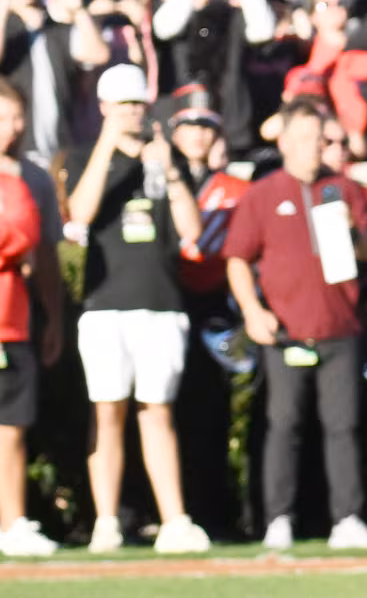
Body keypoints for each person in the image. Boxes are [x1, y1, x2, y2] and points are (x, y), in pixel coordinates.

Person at [223, 99, 367, 550]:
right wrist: (253, 312)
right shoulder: (263, 193)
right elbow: (237, 258)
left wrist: (353, 232)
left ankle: (348, 517)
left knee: (344, 425)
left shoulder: (344, 190)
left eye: (321, 140)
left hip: (340, 326)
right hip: (286, 330)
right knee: (284, 424)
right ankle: (278, 518)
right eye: (308, 140)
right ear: (286, 143)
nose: (316, 148)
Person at [65, 65, 211, 553]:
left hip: (161, 303)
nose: (131, 112)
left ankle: (174, 520)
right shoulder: (88, 155)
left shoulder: (166, 158)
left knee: (158, 412)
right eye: (122, 104)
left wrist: (168, 169)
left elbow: (192, 231)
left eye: (137, 103)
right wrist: (108, 146)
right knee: (107, 411)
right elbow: (79, 215)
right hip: (106, 306)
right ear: (105, 107)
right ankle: (106, 521)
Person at [0, 82, 55, 557]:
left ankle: (12, 520)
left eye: (16, 119)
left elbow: (26, 234)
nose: (11, 129)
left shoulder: (25, 180)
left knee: (12, 427)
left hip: (11, 318)